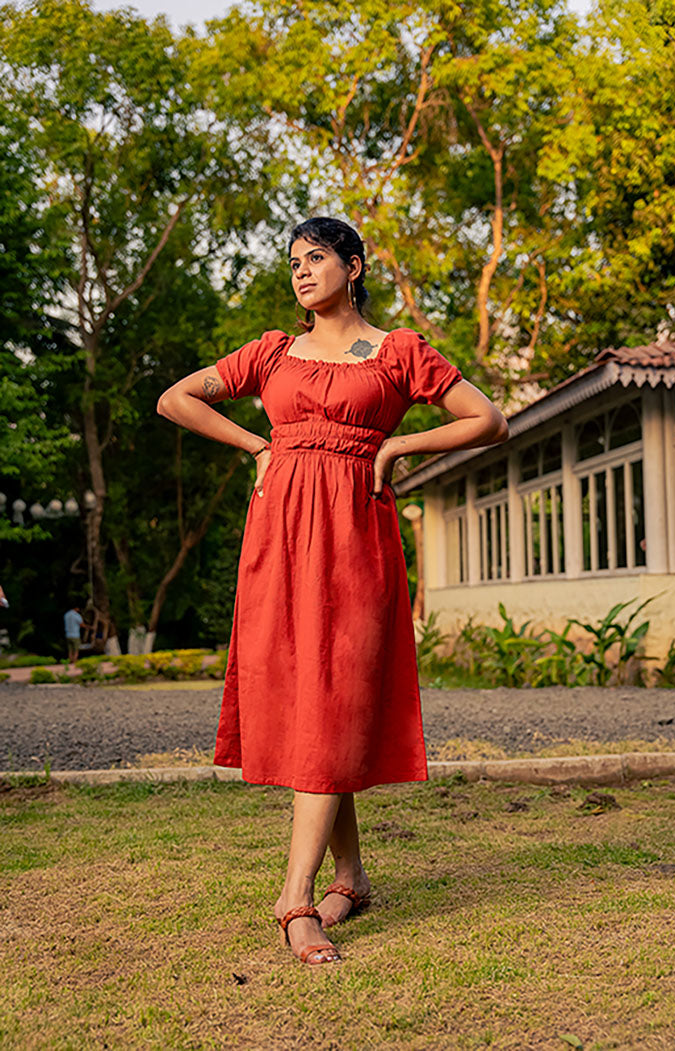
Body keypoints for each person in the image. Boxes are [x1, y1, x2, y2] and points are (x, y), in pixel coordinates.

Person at [156, 216, 508, 966]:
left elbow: (488, 419)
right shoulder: (273, 352)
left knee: (334, 696)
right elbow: (175, 399)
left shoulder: (397, 350)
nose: (301, 272)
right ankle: (350, 872)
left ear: (352, 264)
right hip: (279, 534)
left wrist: (400, 443)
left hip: (355, 535)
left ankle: (295, 898)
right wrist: (257, 444)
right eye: (293, 262)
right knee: (308, 699)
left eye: (315, 258)